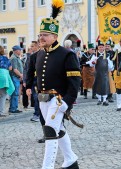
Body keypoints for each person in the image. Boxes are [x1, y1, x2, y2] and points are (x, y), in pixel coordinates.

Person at [26, 1, 80, 168]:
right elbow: (33, 74)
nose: (41, 37)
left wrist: (67, 102)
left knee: (50, 130)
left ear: (55, 36)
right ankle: (71, 160)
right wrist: (29, 87)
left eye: (45, 34)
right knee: (59, 129)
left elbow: (75, 82)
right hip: (42, 100)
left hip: (58, 100)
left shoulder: (67, 55)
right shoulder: (39, 54)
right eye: (40, 34)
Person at [94, 41, 114, 106]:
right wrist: (93, 62)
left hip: (105, 73)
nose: (101, 48)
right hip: (97, 73)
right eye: (100, 47)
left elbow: (110, 64)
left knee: (105, 85)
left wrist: (111, 68)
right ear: (98, 48)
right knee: (98, 86)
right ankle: (99, 99)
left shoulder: (107, 55)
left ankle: (105, 100)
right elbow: (91, 63)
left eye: (102, 47)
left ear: (104, 48)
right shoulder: (95, 55)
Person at [0, 46, 15, 117]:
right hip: (3, 77)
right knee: (3, 95)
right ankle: (1, 112)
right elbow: (10, 68)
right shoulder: (5, 58)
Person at [9, 45, 24, 114]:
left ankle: (14, 107)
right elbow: (15, 69)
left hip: (16, 77)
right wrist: (21, 75)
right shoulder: (14, 58)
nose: (21, 51)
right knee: (15, 93)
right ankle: (13, 108)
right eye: (19, 50)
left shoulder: (16, 57)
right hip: (14, 77)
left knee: (16, 93)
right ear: (16, 50)